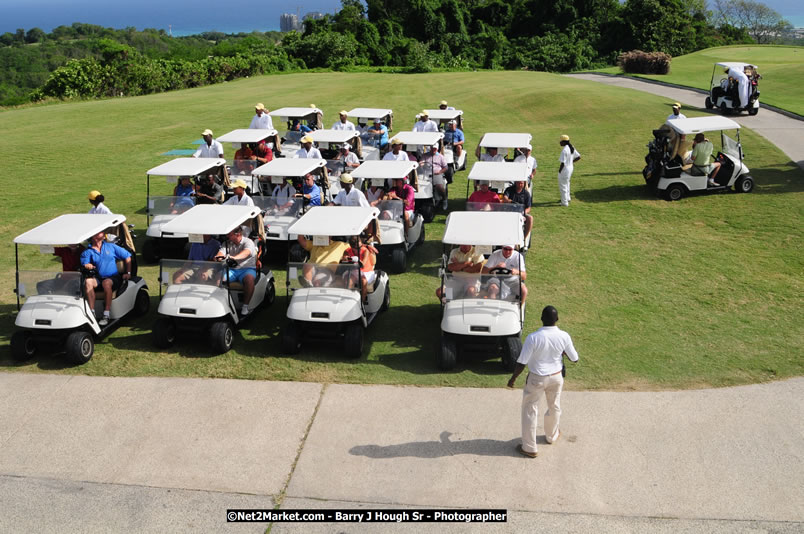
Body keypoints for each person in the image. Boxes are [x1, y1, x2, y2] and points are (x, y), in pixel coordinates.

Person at [507, 305, 579, 458]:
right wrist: (563, 351)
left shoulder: (533, 337)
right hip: (556, 377)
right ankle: (551, 436)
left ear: (541, 319)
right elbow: (575, 359)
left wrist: (513, 378)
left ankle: (529, 447)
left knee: (530, 410)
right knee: (555, 406)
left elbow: (522, 362)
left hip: (536, 379)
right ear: (557, 319)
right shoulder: (564, 336)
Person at [80, 230, 132, 326]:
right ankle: (92, 313)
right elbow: (85, 263)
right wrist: (87, 265)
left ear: (103, 237)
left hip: (113, 278)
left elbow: (127, 256)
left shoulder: (111, 247)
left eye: (100, 233)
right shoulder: (87, 252)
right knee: (88, 282)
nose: (99, 234)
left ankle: (106, 314)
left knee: (106, 283)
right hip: (98, 279)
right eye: (96, 233)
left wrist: (128, 272)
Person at [214, 227, 257, 316]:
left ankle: (245, 306)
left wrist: (234, 258)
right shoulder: (226, 243)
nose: (227, 236)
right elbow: (220, 253)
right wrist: (218, 257)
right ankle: (219, 303)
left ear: (237, 234)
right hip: (232, 270)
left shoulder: (248, 242)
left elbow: (247, 252)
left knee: (249, 280)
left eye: (229, 234)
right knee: (218, 278)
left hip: (247, 269)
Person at [343, 235, 377, 303]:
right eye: (357, 247)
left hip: (366, 271)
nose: (360, 248)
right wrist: (346, 258)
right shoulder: (347, 251)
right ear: (351, 246)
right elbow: (344, 258)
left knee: (363, 281)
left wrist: (356, 260)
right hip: (354, 271)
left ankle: (362, 302)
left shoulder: (365, 251)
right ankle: (349, 302)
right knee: (348, 281)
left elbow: (363, 265)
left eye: (360, 246)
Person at [558, 135, 581, 207]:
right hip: (570, 168)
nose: (560, 142)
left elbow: (562, 163)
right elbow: (578, 157)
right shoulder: (572, 147)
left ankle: (564, 202)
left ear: (564, 142)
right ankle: (567, 198)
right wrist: (571, 162)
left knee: (563, 185)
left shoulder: (564, 150)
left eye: (561, 141)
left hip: (565, 169)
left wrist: (559, 171)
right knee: (567, 183)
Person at [425, 143, 449, 210]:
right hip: (425, 173)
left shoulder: (440, 157)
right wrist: (421, 164)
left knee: (439, 186)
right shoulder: (425, 155)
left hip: (436, 173)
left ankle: (444, 199)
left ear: (437, 149)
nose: (433, 150)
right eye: (432, 148)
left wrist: (440, 172)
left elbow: (446, 167)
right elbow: (421, 162)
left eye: (435, 149)